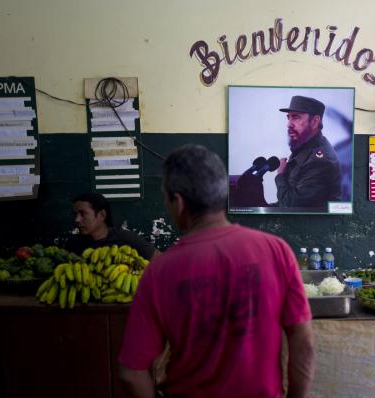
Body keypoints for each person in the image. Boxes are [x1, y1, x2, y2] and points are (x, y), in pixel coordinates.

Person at [118, 144, 315, 398]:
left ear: (177, 202)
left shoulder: (159, 272)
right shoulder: (276, 251)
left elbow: (131, 372)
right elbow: (304, 343)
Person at [275, 95, 342, 208]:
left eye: (296, 117)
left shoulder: (320, 161)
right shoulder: (304, 148)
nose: (288, 124)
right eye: (288, 118)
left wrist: (280, 176)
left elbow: (292, 206)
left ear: (315, 121)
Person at [65, 192, 161, 261]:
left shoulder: (126, 239)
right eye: (75, 214)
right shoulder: (73, 244)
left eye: (83, 214)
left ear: (102, 215)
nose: (77, 220)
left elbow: (160, 260)